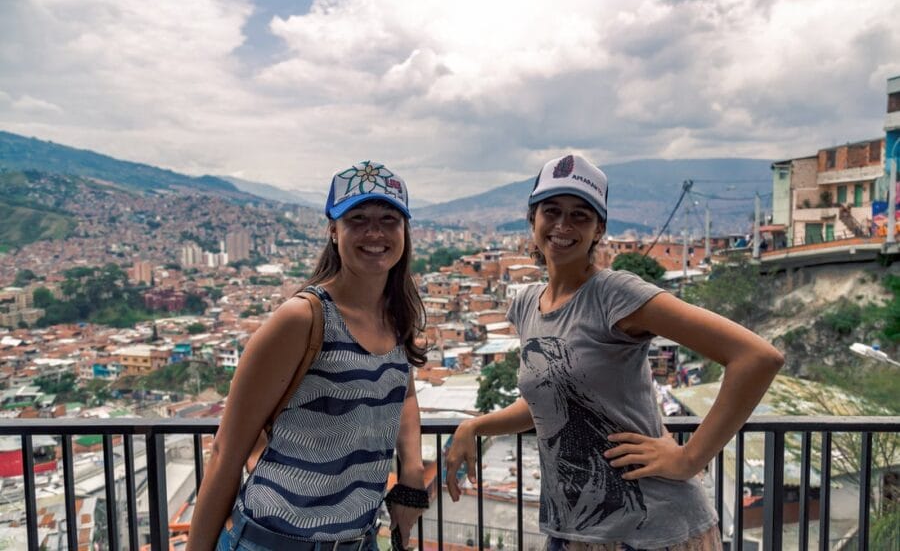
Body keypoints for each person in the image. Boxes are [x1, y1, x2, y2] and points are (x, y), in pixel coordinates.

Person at [445, 155, 784, 551]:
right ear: (532, 219)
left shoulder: (614, 295)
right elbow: (550, 402)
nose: (563, 226)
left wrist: (690, 458)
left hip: (652, 532)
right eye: (551, 212)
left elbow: (757, 358)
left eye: (580, 216)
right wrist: (475, 426)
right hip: (572, 532)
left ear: (599, 229)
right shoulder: (526, 304)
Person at [188, 160, 428, 551]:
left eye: (389, 219)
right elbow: (226, 452)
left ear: (404, 231)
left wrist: (412, 474)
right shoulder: (303, 318)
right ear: (333, 230)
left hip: (358, 540)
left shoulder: (396, 315)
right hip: (273, 541)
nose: (374, 232)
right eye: (358, 218)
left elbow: (405, 393)